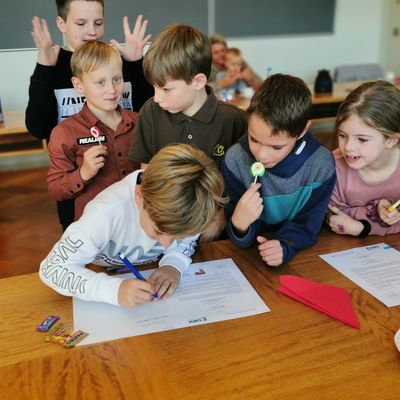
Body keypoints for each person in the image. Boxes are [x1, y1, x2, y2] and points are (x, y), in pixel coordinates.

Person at [39, 144, 227, 307]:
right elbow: (52, 269)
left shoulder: (191, 206)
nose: (167, 244)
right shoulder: (104, 213)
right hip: (102, 272)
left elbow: (186, 241)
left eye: (178, 236)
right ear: (139, 197)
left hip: (149, 269)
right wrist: (113, 291)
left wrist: (174, 263)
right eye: (159, 230)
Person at [26, 0, 153, 230]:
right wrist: (44, 68)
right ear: (61, 23)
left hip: (130, 197)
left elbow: (146, 116)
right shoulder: (52, 65)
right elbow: (38, 127)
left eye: (98, 22)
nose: (92, 31)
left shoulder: (117, 62)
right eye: (81, 23)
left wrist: (135, 64)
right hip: (80, 199)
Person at [128, 24, 247, 241]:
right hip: (165, 230)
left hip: (214, 232)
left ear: (198, 81)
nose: (157, 97)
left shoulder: (233, 120)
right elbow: (147, 175)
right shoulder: (150, 112)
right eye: (153, 87)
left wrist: (220, 216)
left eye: (165, 89)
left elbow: (241, 182)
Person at [222, 74, 336, 267]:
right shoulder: (235, 159)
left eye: (276, 147)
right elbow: (236, 232)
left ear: (302, 130)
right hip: (248, 259)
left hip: (296, 257)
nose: (261, 155)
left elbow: (308, 224)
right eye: (254, 139)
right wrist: (239, 224)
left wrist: (285, 244)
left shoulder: (321, 164)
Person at [47, 40, 140, 225]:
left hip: (139, 222)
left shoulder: (140, 121)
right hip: (97, 229)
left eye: (117, 79)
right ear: (79, 85)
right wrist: (83, 173)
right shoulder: (65, 132)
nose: (112, 90)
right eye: (100, 83)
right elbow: (56, 188)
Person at [327, 80, 400, 236]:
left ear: (391, 140)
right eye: (342, 135)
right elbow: (335, 218)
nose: (348, 147)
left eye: (362, 139)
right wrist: (375, 211)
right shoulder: (332, 167)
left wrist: (362, 228)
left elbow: (349, 223)